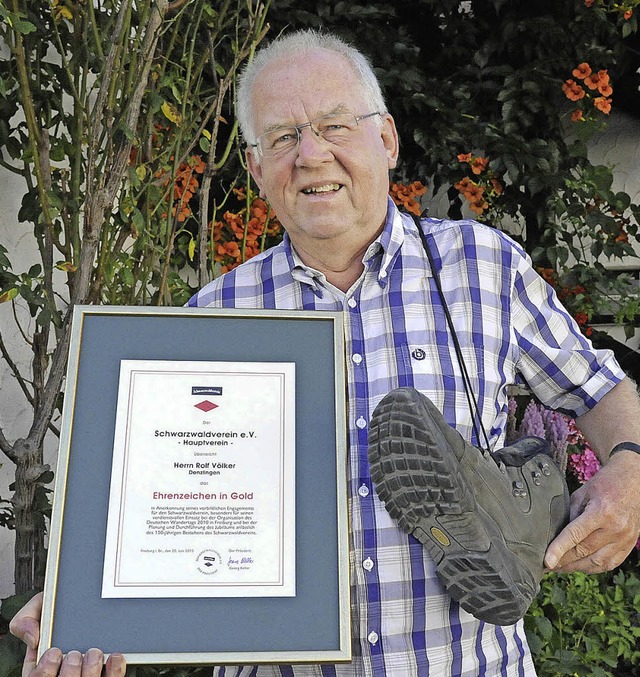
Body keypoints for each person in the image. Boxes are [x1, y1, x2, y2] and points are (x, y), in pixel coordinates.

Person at [11, 28, 640, 677]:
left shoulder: (484, 266)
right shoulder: (212, 316)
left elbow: (599, 389)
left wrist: (630, 470)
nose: (311, 154)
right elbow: (157, 522)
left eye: (336, 125)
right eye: (282, 137)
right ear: (256, 169)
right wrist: (77, 616)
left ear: (387, 140)